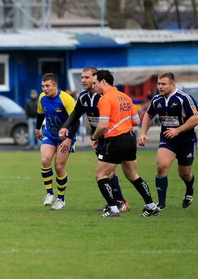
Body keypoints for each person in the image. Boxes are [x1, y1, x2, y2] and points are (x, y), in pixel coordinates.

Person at [58, 67, 130, 213]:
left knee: (110, 172)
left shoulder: (103, 97)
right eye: (82, 78)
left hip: (112, 137)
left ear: (96, 79)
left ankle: (120, 202)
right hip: (99, 139)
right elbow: (76, 112)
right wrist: (65, 126)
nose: (83, 80)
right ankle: (115, 202)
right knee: (108, 173)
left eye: (87, 77)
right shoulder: (84, 96)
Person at [90, 69, 159, 218]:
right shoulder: (124, 96)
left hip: (116, 140)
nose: (92, 86)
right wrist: (121, 121)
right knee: (132, 174)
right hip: (130, 138)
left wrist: (94, 138)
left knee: (100, 175)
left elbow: (102, 125)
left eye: (95, 83)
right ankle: (151, 206)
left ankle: (113, 209)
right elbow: (136, 121)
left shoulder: (105, 99)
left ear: (103, 82)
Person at [138, 72, 198, 210]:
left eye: (163, 84)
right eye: (158, 84)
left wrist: (178, 130)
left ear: (172, 84)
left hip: (186, 141)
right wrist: (142, 134)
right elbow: (148, 115)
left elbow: (196, 117)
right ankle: (161, 204)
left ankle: (189, 187)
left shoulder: (184, 98)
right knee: (161, 165)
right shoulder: (156, 100)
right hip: (167, 139)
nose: (160, 86)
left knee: (184, 174)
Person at [36, 73, 78, 210]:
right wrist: (37, 129)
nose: (44, 89)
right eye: (43, 86)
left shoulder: (66, 99)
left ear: (55, 86)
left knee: (59, 167)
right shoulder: (42, 97)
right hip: (49, 133)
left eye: (47, 86)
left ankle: (61, 199)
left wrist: (69, 139)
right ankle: (49, 193)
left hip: (66, 136)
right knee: (45, 160)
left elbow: (76, 120)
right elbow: (40, 113)